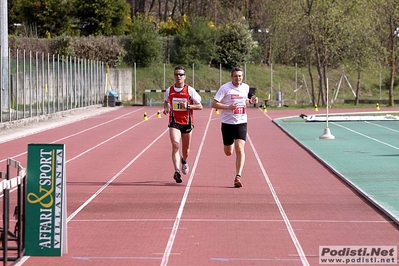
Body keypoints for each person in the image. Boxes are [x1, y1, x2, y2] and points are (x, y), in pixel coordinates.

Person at [211, 66, 258, 188]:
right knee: (228, 152)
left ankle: (238, 176)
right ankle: (228, 146)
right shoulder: (225, 88)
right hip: (227, 123)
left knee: (240, 148)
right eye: (236, 76)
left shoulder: (246, 87)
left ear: (242, 77)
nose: (238, 78)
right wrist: (228, 107)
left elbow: (245, 100)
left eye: (240, 76)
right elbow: (214, 103)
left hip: (241, 122)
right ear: (231, 77)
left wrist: (251, 101)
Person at [163, 66, 203, 183]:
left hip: (187, 122)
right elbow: (166, 101)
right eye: (176, 74)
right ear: (174, 76)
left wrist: (188, 106)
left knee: (186, 151)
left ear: (184, 76)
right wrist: (166, 108)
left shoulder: (190, 90)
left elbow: (200, 106)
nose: (178, 76)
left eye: (181, 74)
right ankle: (176, 171)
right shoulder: (169, 90)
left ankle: (184, 161)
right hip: (174, 121)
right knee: (175, 144)